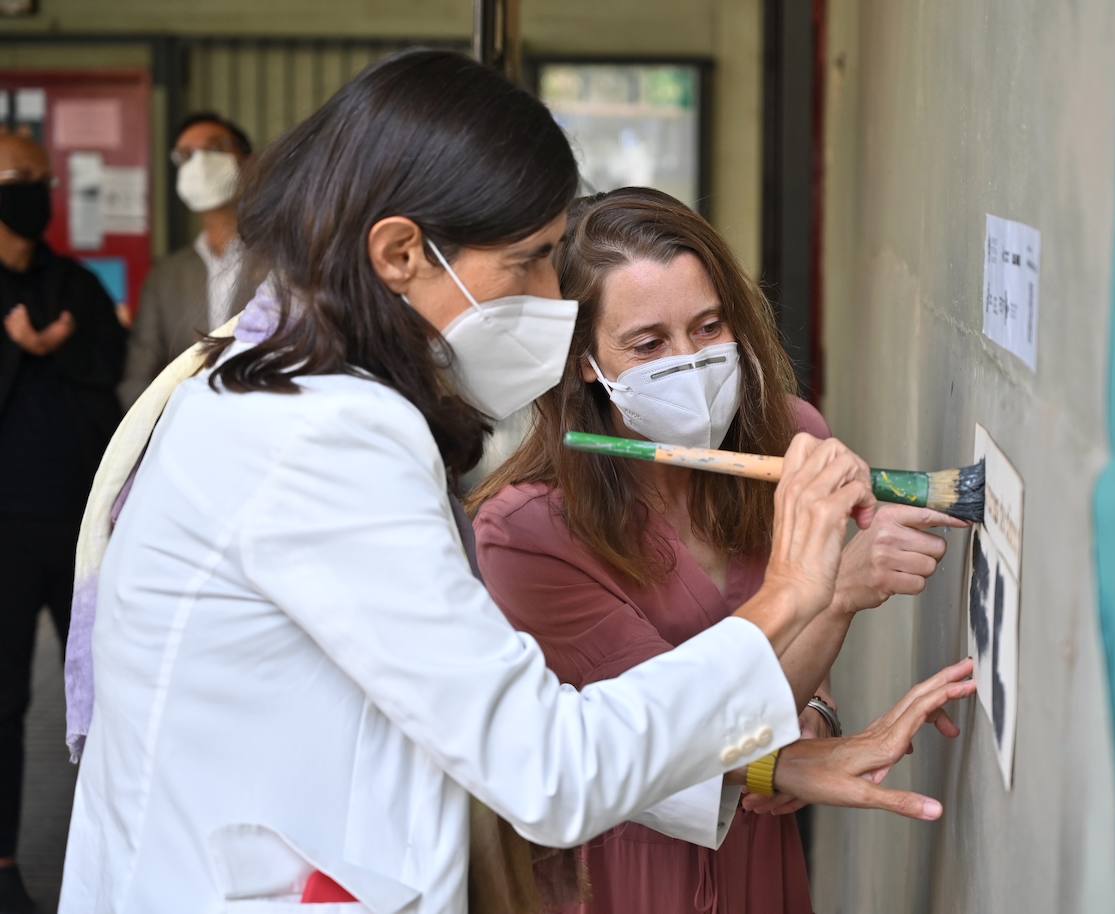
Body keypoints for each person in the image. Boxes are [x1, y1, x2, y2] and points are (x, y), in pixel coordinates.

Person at [57, 50, 973, 914]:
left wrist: (770, 769)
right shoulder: (324, 438)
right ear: (400, 254)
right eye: (528, 260)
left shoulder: (284, 388)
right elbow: (545, 766)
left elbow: (479, 727)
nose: (551, 298)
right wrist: (792, 597)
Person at [469, 187, 968, 914]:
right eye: (647, 343)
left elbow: (787, 702)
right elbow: (682, 741)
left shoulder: (791, 441)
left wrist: (815, 727)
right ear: (583, 361)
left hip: (760, 860)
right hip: (626, 872)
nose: (690, 362)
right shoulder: (526, 533)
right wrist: (837, 591)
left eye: (708, 327)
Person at [0, 132, 126, 914]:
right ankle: (5, 860)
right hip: (3, 529)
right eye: (16, 179)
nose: (33, 192)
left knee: (108, 691)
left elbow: (108, 370)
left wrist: (49, 346)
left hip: (81, 527)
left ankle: (114, 848)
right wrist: (27, 351)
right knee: (5, 700)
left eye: (40, 180)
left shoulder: (76, 282)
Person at [117, 112, 261, 409]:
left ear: (248, 161)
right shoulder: (166, 276)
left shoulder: (285, 260)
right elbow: (138, 377)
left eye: (215, 148)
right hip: (184, 432)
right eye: (186, 155)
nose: (200, 163)